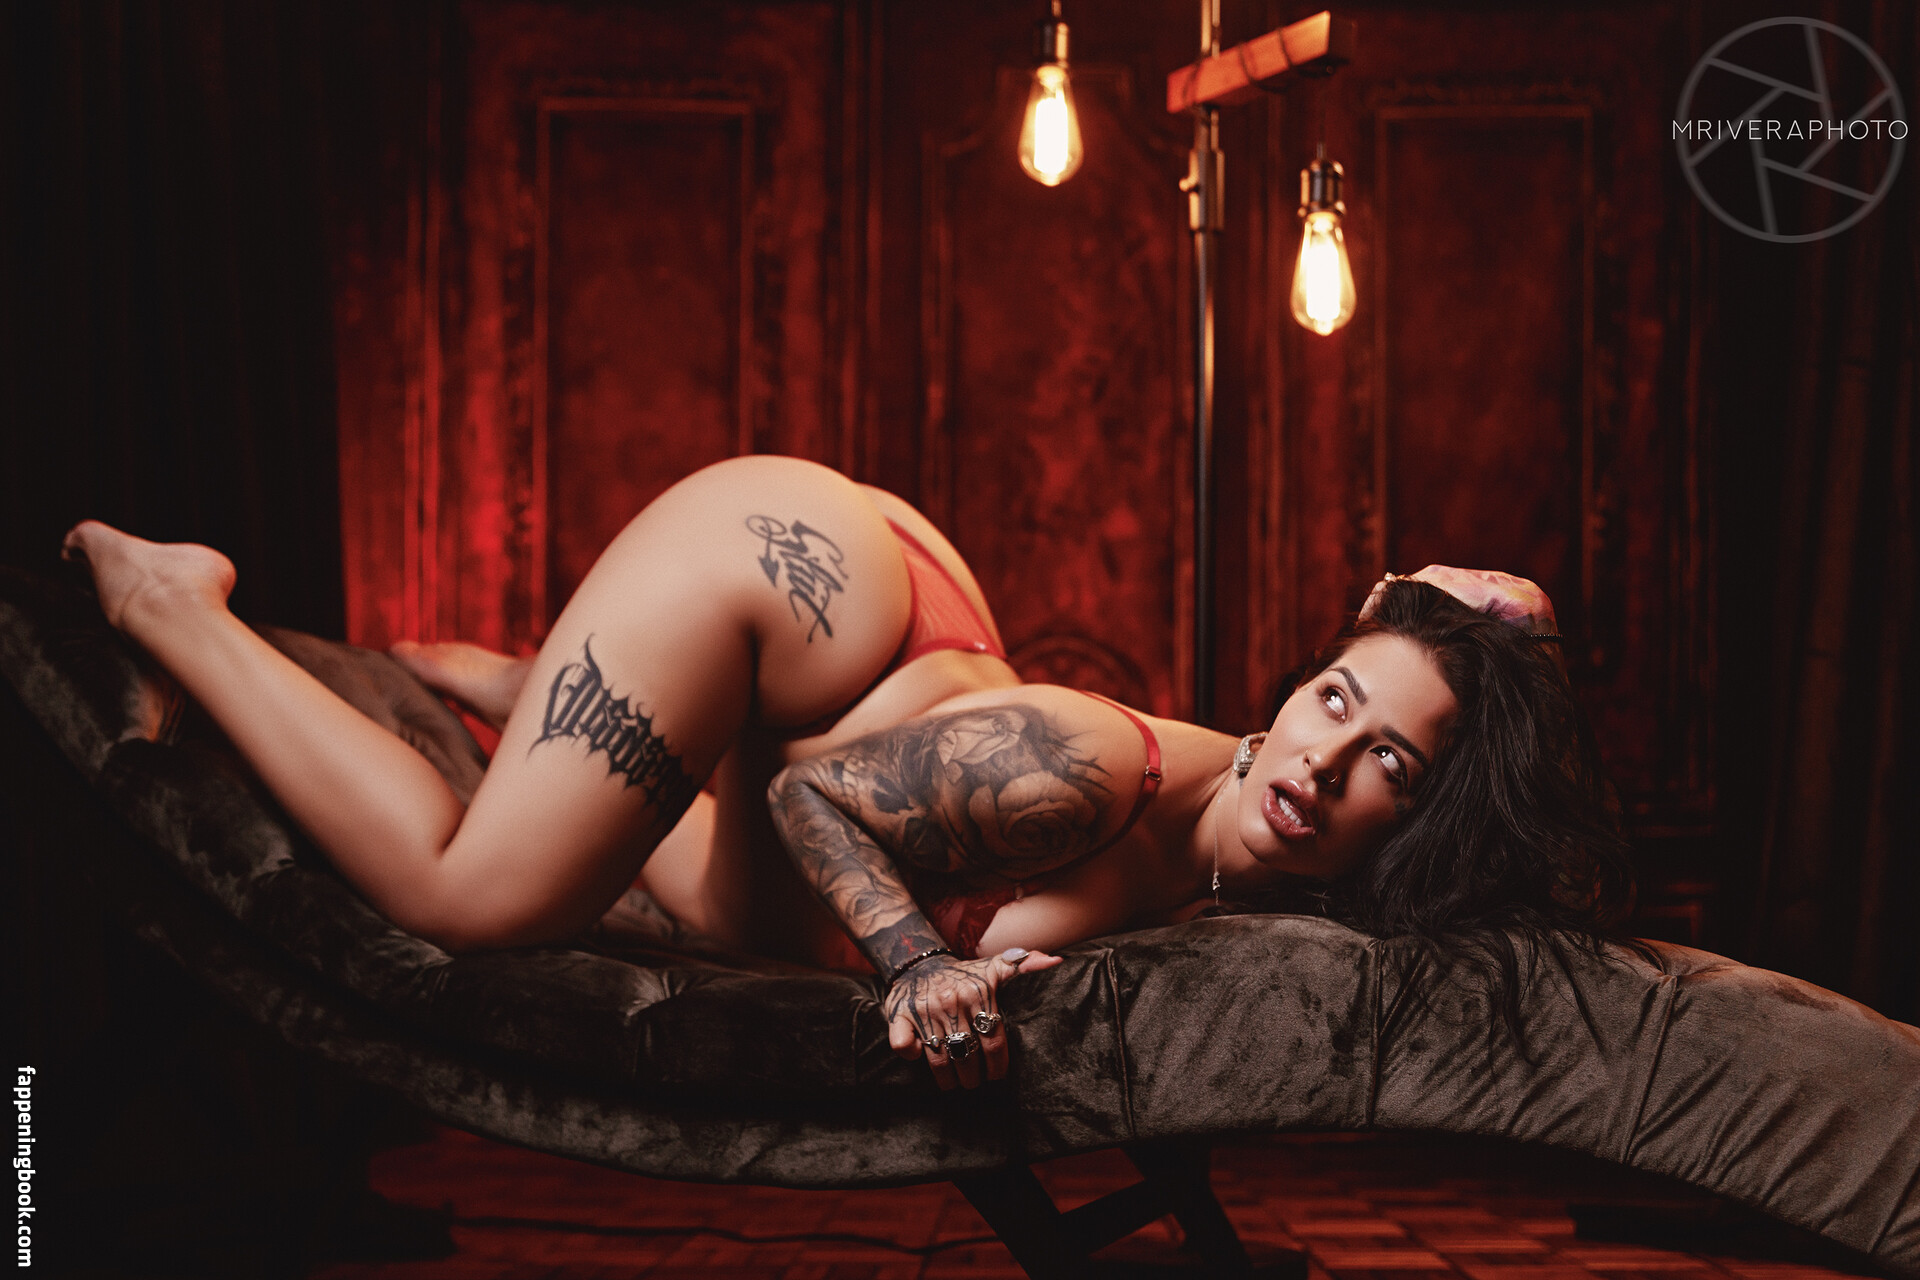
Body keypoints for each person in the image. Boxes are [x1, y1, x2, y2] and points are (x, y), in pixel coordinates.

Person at [61, 454, 1628, 1091]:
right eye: (1334, 698)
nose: (1325, 762)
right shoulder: (1092, 770)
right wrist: (916, 965)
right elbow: (808, 802)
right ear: (1293, 689)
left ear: (1419, 819)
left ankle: (516, 684)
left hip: (870, 683)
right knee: (474, 895)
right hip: (784, 575)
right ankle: (171, 600)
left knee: (698, 894)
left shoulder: (1252, 884)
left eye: (1388, 760)